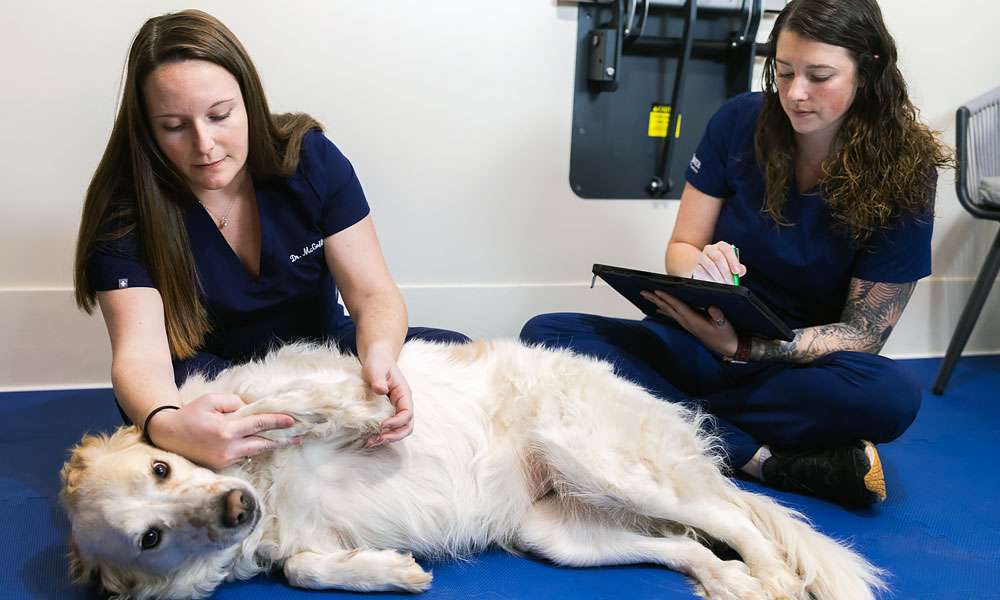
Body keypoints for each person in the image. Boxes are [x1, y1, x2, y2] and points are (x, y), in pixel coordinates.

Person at [520, 0, 952, 507]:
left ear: (869, 69)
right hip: (702, 338)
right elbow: (682, 247)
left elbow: (865, 333)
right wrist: (702, 269)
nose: (795, 93)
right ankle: (755, 457)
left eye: (820, 76)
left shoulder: (908, 170)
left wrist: (744, 350)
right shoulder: (739, 120)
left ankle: (666, 414)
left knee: (891, 397)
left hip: (794, 366)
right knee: (547, 335)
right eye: (784, 71)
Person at [73, 10, 470, 470]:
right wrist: (166, 423)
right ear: (146, 129)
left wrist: (380, 355)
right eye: (174, 126)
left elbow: (372, 293)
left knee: (448, 350)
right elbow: (139, 357)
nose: (204, 144)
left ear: (249, 101)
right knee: (161, 410)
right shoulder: (124, 214)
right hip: (215, 379)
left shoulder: (310, 160)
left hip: (321, 351)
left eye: (220, 115)